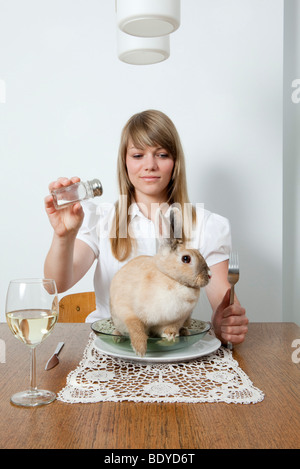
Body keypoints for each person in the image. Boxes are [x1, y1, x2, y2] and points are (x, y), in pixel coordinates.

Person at [44, 109, 248, 345]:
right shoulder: (102, 219)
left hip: (173, 349)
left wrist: (224, 324)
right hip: (113, 347)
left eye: (161, 154)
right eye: (138, 155)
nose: (150, 165)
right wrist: (63, 236)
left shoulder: (206, 224)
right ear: (125, 161)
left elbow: (222, 306)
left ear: (175, 162)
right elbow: (56, 284)